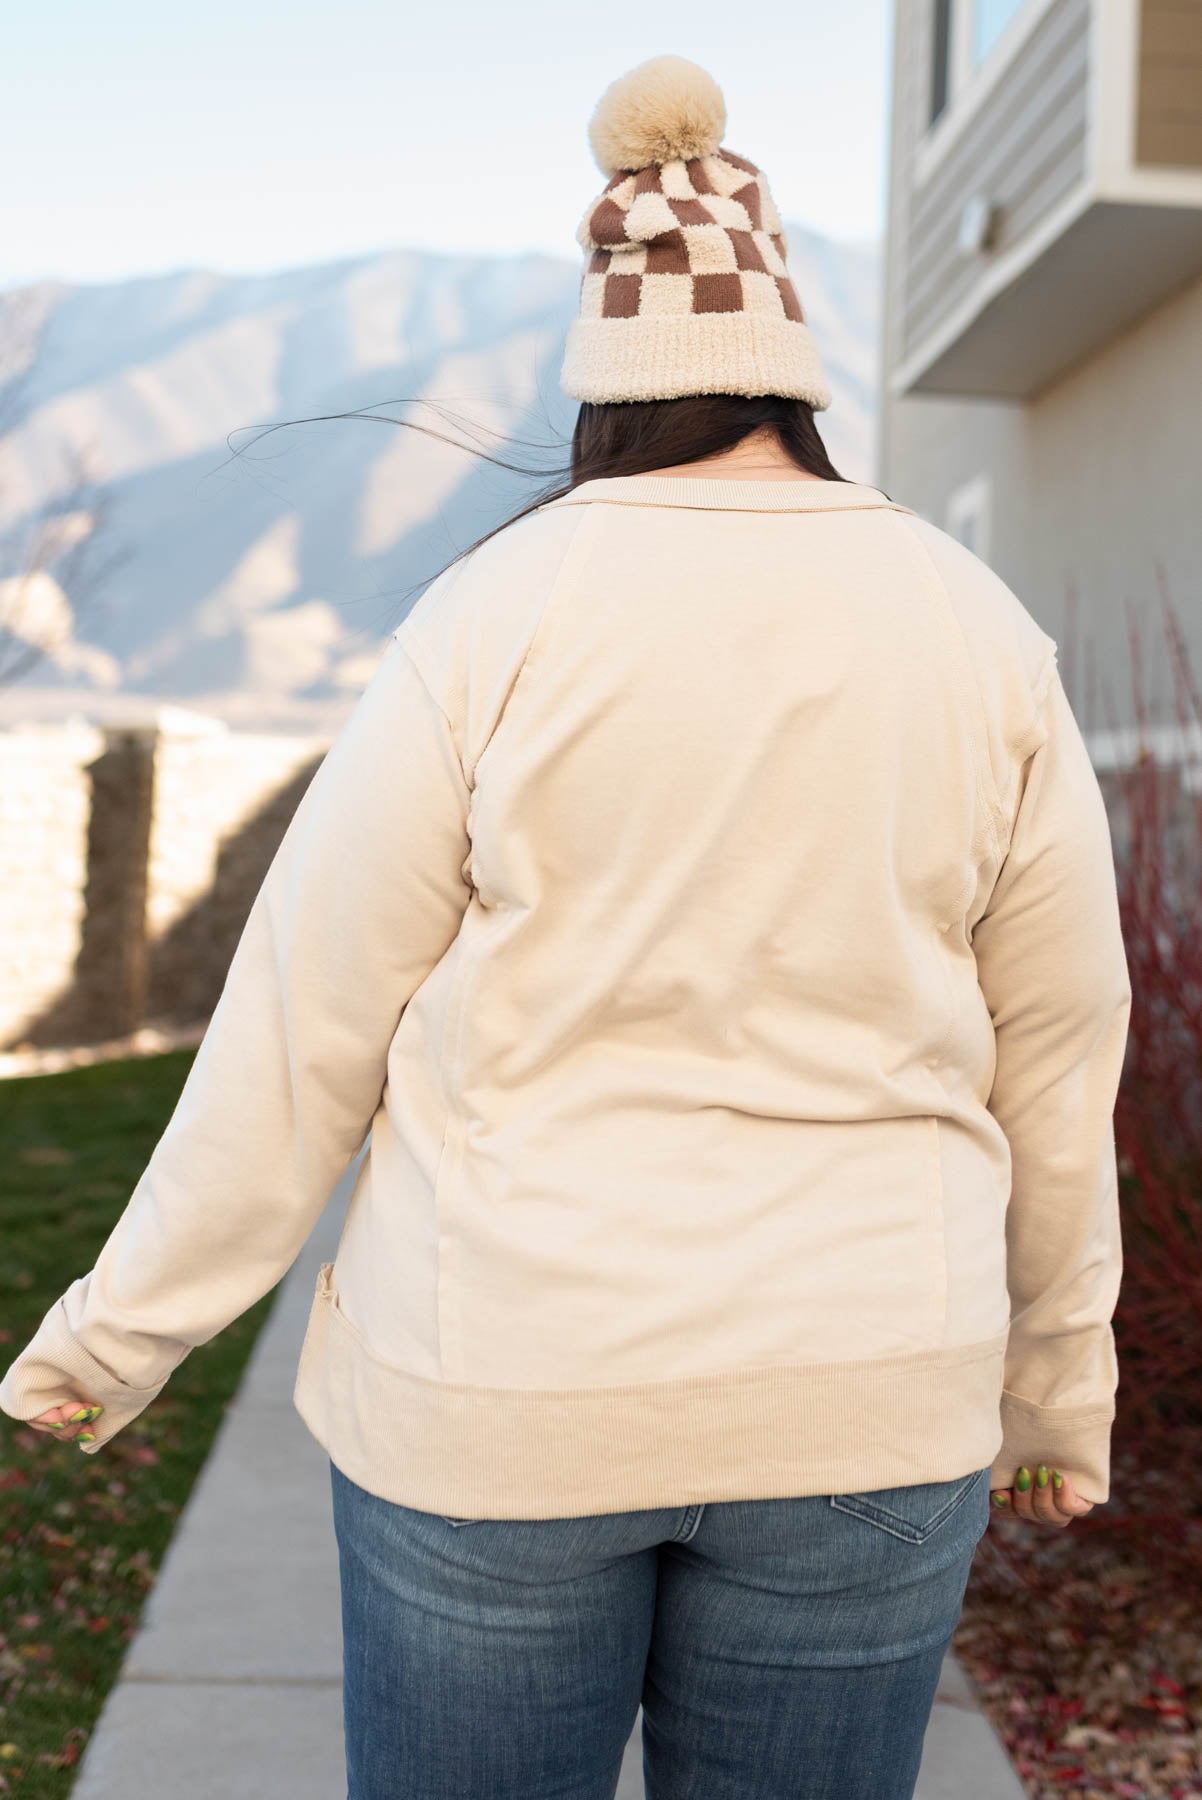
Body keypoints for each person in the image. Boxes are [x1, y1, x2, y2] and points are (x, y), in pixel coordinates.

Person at [1, 53, 1131, 1800]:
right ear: (793, 376)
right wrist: (1060, 1390)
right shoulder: (966, 622)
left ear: (605, 381)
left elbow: (305, 1025)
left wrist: (114, 1335)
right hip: (866, 1398)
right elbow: (1060, 1053)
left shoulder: (493, 614)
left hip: (500, 1396)